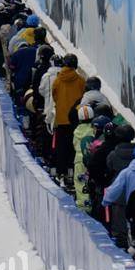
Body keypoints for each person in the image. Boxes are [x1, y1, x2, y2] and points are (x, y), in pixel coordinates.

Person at [51, 54, 86, 185]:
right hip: (75, 119)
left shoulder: (57, 80)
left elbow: (54, 96)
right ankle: (72, 171)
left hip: (61, 119)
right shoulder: (81, 80)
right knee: (73, 146)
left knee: (61, 146)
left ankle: (61, 172)